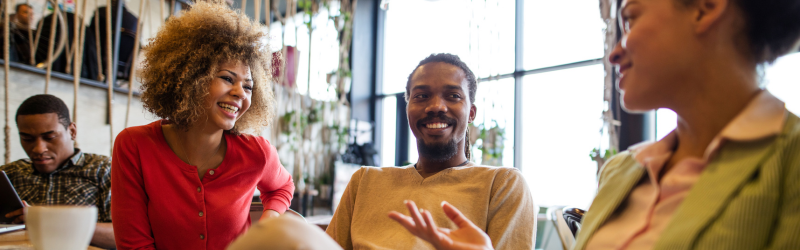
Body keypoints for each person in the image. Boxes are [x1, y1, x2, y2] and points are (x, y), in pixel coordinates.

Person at [392, 0, 800, 249]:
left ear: (705, 8)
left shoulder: (788, 162)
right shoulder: (626, 170)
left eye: (632, 19)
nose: (615, 53)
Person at [110, 1, 294, 249]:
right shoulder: (134, 146)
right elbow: (134, 244)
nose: (241, 93)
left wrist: (266, 225)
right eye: (228, 78)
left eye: (248, 86)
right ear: (191, 79)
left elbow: (282, 187)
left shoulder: (256, 152)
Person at [326, 53, 536, 250]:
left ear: (471, 112)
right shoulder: (364, 182)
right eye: (422, 96)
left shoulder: (503, 184)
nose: (436, 106)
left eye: (453, 95)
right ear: (408, 109)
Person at [1, 94, 116, 249]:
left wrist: (48, 221)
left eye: (50, 137)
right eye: (27, 139)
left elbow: (122, 236)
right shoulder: (10, 174)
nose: (38, 149)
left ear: (72, 131)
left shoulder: (105, 169)